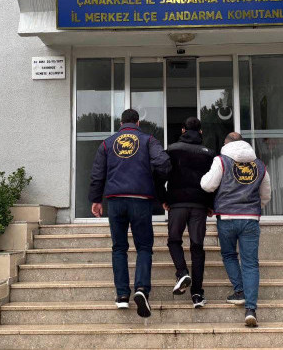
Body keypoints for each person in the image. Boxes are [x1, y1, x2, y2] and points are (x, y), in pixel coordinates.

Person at [89, 109, 171, 318]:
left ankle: (122, 296)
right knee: (144, 247)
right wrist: (154, 179)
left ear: (120, 123)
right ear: (138, 122)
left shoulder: (107, 144)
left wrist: (96, 200)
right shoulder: (148, 140)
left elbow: (97, 173)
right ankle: (141, 289)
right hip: (141, 200)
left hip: (115, 200)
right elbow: (163, 162)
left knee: (119, 248)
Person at [200, 132, 271, 327]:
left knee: (229, 255)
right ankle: (250, 309)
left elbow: (207, 185)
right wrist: (255, 208)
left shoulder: (221, 160)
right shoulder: (259, 165)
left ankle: (239, 290)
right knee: (250, 263)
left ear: (226, 143)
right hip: (250, 219)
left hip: (227, 217)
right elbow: (266, 194)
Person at [162, 117, 215, 308]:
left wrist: (164, 198)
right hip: (199, 205)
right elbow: (214, 181)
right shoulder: (209, 153)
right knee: (197, 247)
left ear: (183, 130)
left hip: (177, 204)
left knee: (174, 241)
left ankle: (182, 272)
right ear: (200, 132)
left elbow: (160, 174)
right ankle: (197, 295)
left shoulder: (171, 150)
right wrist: (211, 204)